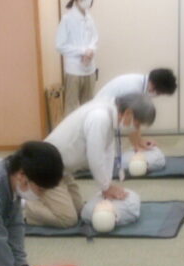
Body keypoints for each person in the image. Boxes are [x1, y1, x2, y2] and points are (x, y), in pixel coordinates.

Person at [34, 93, 155, 228]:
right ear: (128, 112)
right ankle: (29, 206)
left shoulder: (109, 114)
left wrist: (107, 185)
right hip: (45, 169)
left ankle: (43, 195)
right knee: (69, 220)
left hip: (63, 170)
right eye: (137, 124)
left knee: (81, 211)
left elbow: (108, 151)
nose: (136, 128)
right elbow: (95, 156)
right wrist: (106, 187)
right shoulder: (100, 117)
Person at [95, 68, 178, 150]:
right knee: (100, 149)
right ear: (154, 86)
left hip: (107, 112)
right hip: (100, 113)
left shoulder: (144, 84)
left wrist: (140, 141)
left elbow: (137, 119)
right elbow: (130, 122)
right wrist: (137, 146)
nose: (157, 95)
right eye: (159, 93)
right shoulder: (134, 88)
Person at [57, 0, 99, 114]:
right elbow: (60, 45)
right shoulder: (67, 19)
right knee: (72, 109)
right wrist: (82, 52)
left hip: (90, 70)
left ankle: (86, 135)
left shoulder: (90, 18)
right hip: (74, 70)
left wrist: (91, 51)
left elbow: (95, 39)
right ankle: (72, 136)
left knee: (89, 108)